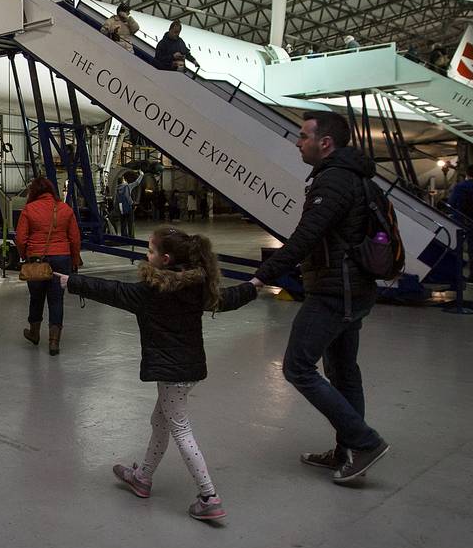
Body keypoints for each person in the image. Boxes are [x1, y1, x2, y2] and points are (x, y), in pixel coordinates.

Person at [61, 228, 257, 521]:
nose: (146, 255)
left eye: (150, 251)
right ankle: (142, 477)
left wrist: (71, 281)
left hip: (172, 372)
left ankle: (208, 497)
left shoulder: (151, 292)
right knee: (160, 420)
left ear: (165, 259)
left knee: (179, 427)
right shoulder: (196, 285)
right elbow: (227, 299)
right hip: (188, 369)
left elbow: (112, 291)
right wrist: (254, 285)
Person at [248, 111, 390, 485]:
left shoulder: (334, 181)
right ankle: (348, 452)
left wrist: (261, 276)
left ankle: (364, 441)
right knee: (344, 372)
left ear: (324, 143)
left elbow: (305, 237)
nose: (298, 142)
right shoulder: (356, 177)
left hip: (334, 291)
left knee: (297, 367)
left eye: (303, 136)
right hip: (354, 289)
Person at [15, 175, 82, 356]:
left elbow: (20, 238)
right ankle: (54, 342)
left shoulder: (29, 209)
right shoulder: (65, 209)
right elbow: (75, 239)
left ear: (34, 192)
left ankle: (34, 333)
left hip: (36, 259)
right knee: (56, 299)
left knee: (36, 297)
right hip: (62, 258)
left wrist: (25, 255)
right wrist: (75, 260)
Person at [446, 164, 473, 281]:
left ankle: (457, 274)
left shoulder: (460, 187)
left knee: (457, 248)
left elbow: (451, 202)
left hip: (459, 220)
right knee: (472, 249)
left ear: (466, 173)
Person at [114, 171, 142, 238]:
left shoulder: (117, 189)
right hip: (129, 207)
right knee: (130, 223)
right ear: (123, 181)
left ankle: (124, 237)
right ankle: (131, 237)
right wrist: (141, 175)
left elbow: (115, 201)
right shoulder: (127, 186)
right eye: (124, 179)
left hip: (121, 209)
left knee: (123, 223)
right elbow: (137, 182)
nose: (125, 180)